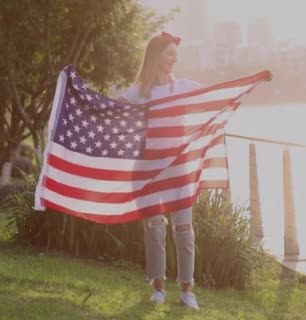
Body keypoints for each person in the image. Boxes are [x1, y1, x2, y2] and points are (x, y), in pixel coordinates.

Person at [118, 32, 201, 310]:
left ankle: (188, 291)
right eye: (169, 54)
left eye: (176, 54)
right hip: (149, 168)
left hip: (179, 168)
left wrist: (254, 80)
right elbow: (110, 108)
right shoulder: (139, 92)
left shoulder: (185, 87)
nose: (174, 59)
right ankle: (158, 287)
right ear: (156, 56)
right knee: (154, 227)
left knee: (184, 228)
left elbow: (217, 95)